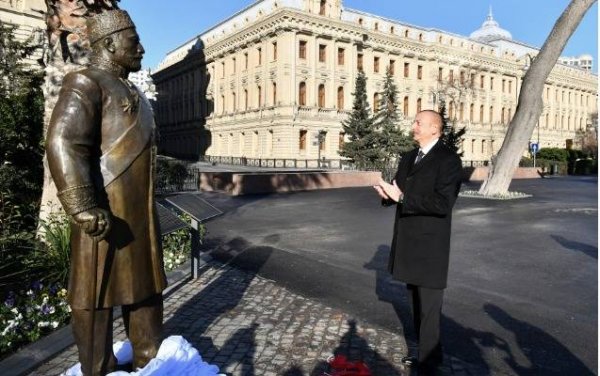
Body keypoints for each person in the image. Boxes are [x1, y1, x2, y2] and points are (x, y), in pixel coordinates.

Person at [46, 10, 167, 376]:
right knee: (94, 297)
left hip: (139, 216)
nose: (142, 49)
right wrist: (82, 205)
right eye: (134, 42)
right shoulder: (85, 82)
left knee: (145, 290)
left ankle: (150, 362)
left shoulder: (134, 92)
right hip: (102, 212)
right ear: (110, 43)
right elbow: (64, 142)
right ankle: (97, 369)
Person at [374, 110, 462, 375]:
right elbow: (400, 189)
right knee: (415, 303)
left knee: (430, 308)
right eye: (414, 122)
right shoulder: (409, 157)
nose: (413, 126)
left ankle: (431, 362)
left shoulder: (448, 160)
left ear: (435, 129)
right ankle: (424, 353)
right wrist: (387, 195)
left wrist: (401, 198)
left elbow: (442, 203)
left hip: (430, 246)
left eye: (418, 123)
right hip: (408, 242)